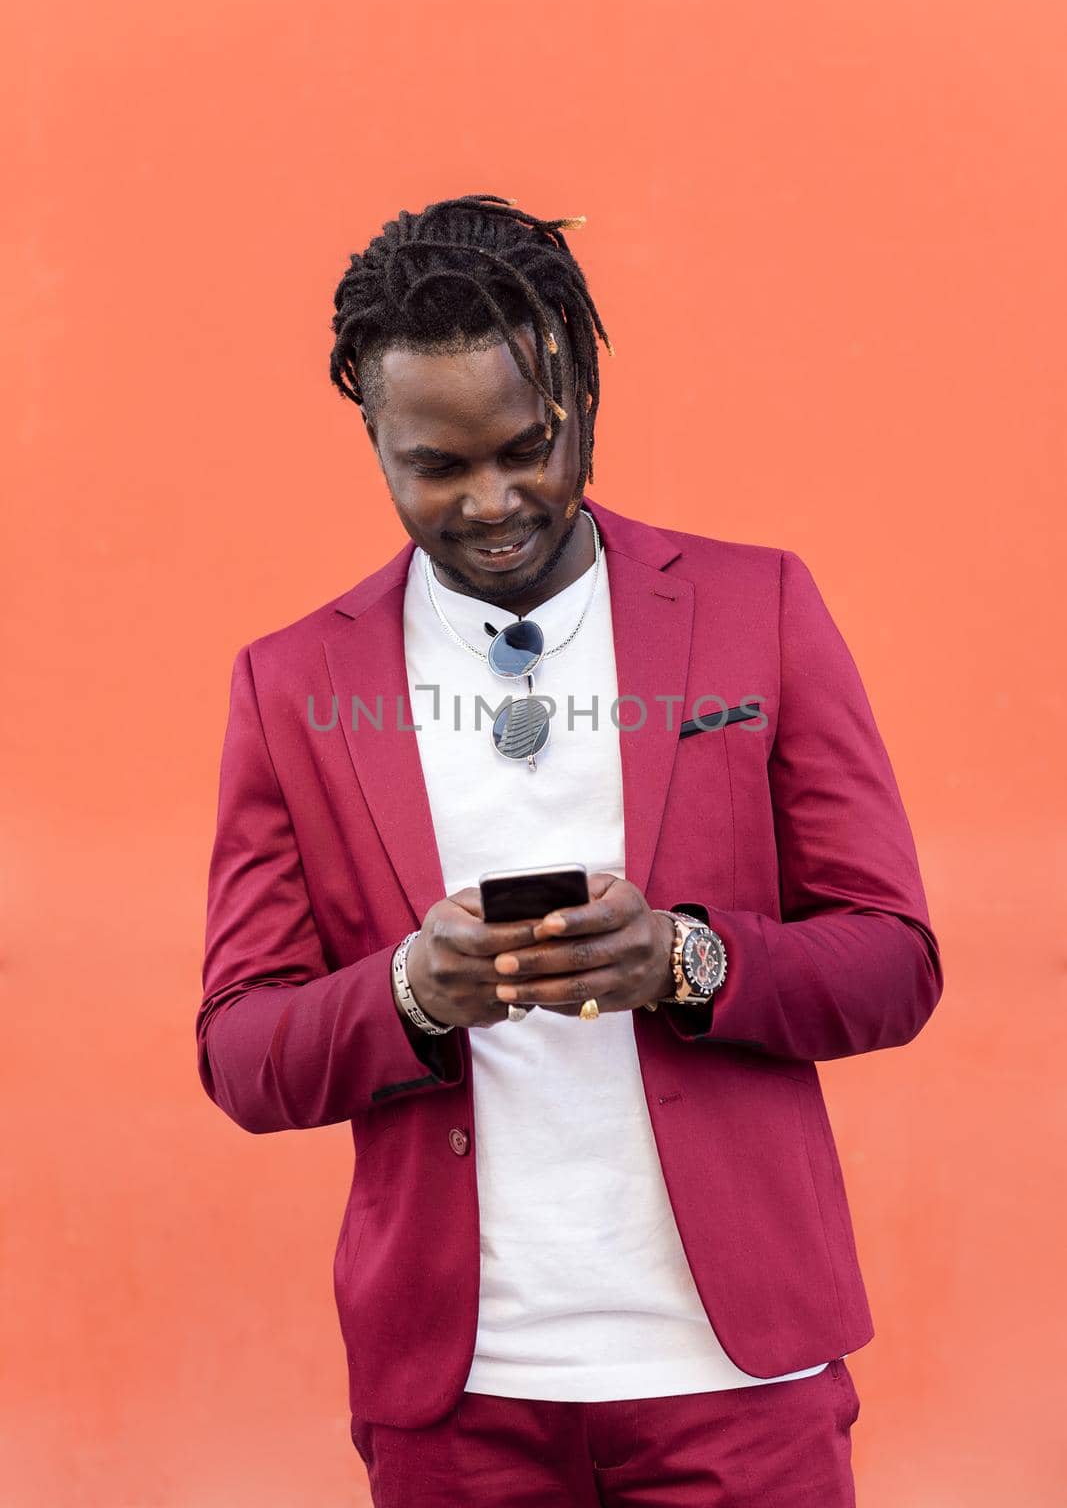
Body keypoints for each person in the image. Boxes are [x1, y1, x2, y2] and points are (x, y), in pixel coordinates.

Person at [196, 193, 943, 1506]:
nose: (493, 501)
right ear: (373, 440)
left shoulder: (757, 608)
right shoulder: (293, 684)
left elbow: (894, 963)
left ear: (586, 399)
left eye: (530, 448)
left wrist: (687, 961)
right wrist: (413, 996)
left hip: (738, 1383)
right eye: (436, 466)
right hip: (460, 1403)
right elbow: (242, 1051)